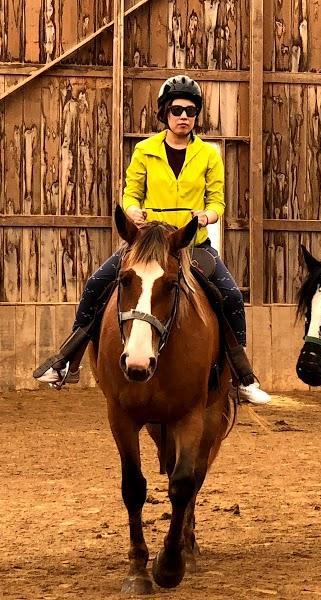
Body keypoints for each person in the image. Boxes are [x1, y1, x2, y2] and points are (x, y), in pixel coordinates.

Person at [32, 75, 270, 405]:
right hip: (147, 245)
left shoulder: (208, 155)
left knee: (230, 295)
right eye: (176, 110)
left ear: (196, 115)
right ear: (164, 113)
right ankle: (65, 361)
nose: (183, 116)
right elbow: (131, 193)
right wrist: (132, 210)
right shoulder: (144, 151)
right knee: (96, 283)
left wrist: (206, 216)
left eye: (190, 110)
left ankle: (241, 377)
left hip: (190, 245)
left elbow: (217, 201)